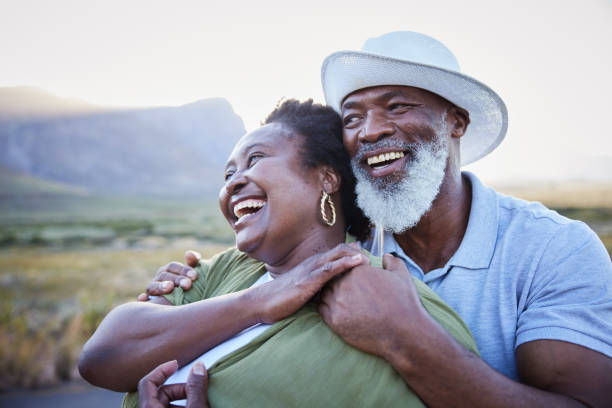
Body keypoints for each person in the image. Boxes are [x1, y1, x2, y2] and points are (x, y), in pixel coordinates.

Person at [147, 32, 612, 407]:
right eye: (352, 117)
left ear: (456, 122)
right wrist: (191, 288)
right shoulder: (326, 243)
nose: (370, 131)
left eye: (397, 106)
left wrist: (406, 338)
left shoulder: (553, 249)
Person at [78, 99, 479, 407]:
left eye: (255, 160)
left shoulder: (387, 297)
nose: (234, 183)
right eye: (228, 174)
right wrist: (259, 302)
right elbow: (102, 357)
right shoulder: (222, 273)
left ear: (326, 177)